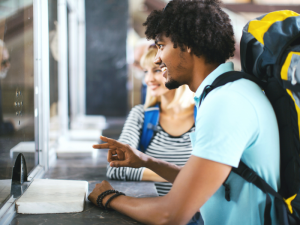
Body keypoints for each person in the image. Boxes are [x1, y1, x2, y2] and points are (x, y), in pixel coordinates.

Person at [89, 1, 280, 224]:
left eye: (161, 46)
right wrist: (146, 161)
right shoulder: (223, 93)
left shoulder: (227, 102)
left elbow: (171, 214)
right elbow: (201, 183)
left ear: (186, 44)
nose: (158, 59)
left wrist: (108, 197)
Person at [107, 46, 202, 224]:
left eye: (157, 70)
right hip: (153, 214)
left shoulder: (204, 116)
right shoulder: (140, 116)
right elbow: (115, 167)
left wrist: (154, 169)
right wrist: (178, 174)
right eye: (145, 71)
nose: (148, 79)